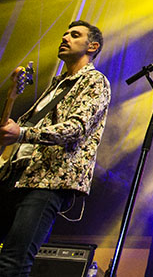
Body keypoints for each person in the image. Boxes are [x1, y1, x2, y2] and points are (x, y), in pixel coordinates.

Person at [0, 20, 111, 275]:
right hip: (17, 176)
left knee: (13, 262)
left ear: (92, 46)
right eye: (64, 33)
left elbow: (76, 128)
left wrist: (23, 133)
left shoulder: (95, 81)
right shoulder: (58, 84)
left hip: (48, 181)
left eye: (74, 35)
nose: (65, 37)